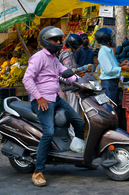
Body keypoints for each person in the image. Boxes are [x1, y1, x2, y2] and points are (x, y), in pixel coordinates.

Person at [23, 26, 86, 187]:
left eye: (60, 40)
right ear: (46, 41)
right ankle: (38, 171)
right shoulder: (38, 57)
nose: (59, 42)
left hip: (56, 98)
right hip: (43, 100)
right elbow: (27, 79)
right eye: (55, 40)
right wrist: (39, 97)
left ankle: (80, 156)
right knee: (49, 132)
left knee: (79, 122)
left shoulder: (54, 57)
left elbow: (64, 71)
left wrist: (81, 82)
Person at [94, 28, 129, 114]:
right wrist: (122, 68)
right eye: (111, 37)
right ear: (106, 39)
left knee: (114, 107)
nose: (113, 39)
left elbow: (111, 66)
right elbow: (108, 70)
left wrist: (120, 65)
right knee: (110, 109)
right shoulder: (103, 52)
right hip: (108, 84)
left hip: (112, 83)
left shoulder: (109, 51)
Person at [59, 33, 91, 117]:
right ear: (75, 44)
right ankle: (72, 130)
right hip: (69, 88)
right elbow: (68, 72)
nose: (79, 48)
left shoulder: (64, 53)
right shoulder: (67, 55)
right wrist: (83, 68)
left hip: (68, 87)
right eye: (79, 46)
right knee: (73, 111)